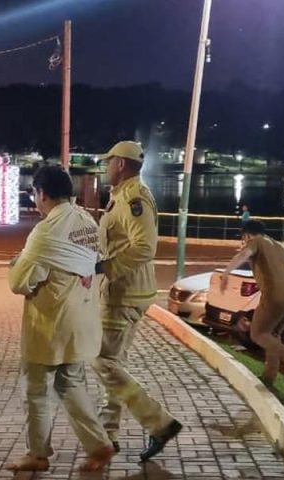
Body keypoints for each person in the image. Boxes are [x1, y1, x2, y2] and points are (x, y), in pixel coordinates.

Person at [7, 166, 115, 473]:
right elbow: (94, 264)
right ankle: (99, 444)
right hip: (80, 320)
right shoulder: (87, 222)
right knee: (71, 384)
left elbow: (20, 282)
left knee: (37, 389)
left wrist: (17, 263)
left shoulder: (46, 230)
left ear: (41, 194)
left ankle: (37, 454)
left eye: (35, 194)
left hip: (49, 324)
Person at [94, 141, 182, 462]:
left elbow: (144, 247)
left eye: (108, 161)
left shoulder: (134, 199)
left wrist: (106, 268)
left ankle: (159, 423)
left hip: (124, 294)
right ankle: (108, 434)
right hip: (123, 291)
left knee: (101, 360)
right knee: (113, 363)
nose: (105, 167)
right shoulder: (121, 196)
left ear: (120, 164)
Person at [220, 219, 284, 386]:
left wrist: (226, 273)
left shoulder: (255, 242)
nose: (244, 241)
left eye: (243, 237)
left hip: (275, 296)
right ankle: (269, 377)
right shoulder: (278, 246)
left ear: (247, 234)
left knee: (258, 334)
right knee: (272, 335)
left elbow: (243, 254)